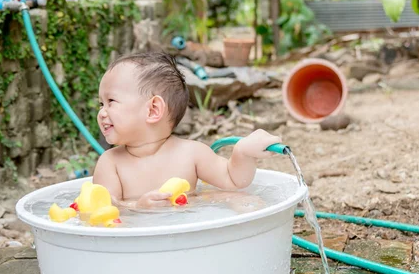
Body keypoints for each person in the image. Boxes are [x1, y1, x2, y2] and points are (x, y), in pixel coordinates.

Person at [92, 52, 281, 208]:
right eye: (101, 103)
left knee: (246, 202)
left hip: (189, 237)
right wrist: (137, 207)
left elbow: (234, 180)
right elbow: (102, 209)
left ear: (153, 110)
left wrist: (243, 153)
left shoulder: (192, 154)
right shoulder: (110, 163)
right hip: (140, 243)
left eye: (111, 101)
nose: (101, 112)